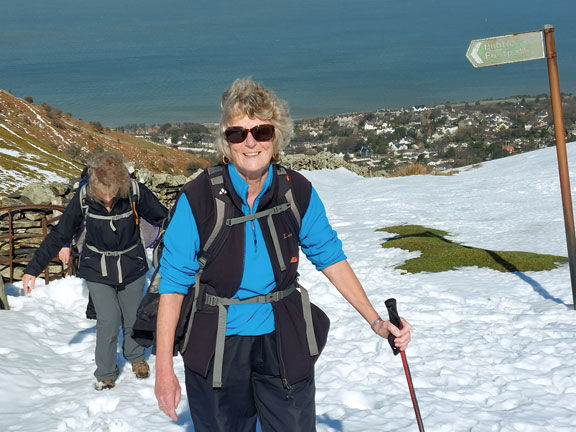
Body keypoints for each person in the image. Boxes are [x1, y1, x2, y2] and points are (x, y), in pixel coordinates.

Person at [154, 78, 411, 431]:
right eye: (237, 133)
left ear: (277, 138)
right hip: (216, 345)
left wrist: (376, 321)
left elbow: (330, 257)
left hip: (283, 337)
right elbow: (173, 285)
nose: (250, 142)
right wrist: (164, 370)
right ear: (225, 142)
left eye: (261, 131)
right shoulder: (198, 198)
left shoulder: (296, 191)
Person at [22, 151, 168, 391]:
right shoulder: (84, 196)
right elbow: (61, 233)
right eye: (103, 193)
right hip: (97, 267)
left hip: (132, 263)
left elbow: (165, 218)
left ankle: (136, 355)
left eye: (113, 192)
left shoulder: (134, 192)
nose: (109, 198)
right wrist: (32, 269)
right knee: (109, 319)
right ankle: (106, 371)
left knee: (132, 315)